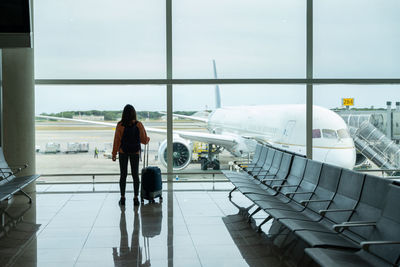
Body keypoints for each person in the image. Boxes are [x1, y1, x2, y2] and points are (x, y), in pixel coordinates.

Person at [112, 104, 150, 206]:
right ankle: (136, 198)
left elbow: (117, 140)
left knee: (123, 175)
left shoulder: (120, 125)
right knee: (135, 175)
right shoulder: (139, 125)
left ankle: (123, 198)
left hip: (123, 152)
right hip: (135, 152)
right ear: (134, 113)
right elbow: (144, 140)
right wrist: (148, 139)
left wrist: (114, 153)